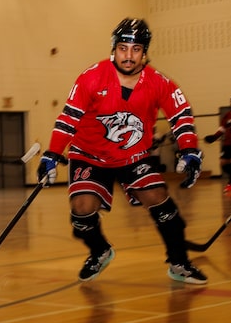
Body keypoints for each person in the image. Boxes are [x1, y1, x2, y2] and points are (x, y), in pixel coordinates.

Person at [38, 18, 208, 285]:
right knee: (81, 210)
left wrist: (189, 150)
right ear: (114, 49)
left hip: (133, 156)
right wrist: (52, 153)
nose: (129, 56)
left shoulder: (160, 83)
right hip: (89, 154)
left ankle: (179, 262)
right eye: (123, 48)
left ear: (145, 52)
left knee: (160, 198)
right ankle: (99, 251)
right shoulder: (91, 77)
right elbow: (69, 118)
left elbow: (181, 117)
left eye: (136, 49)